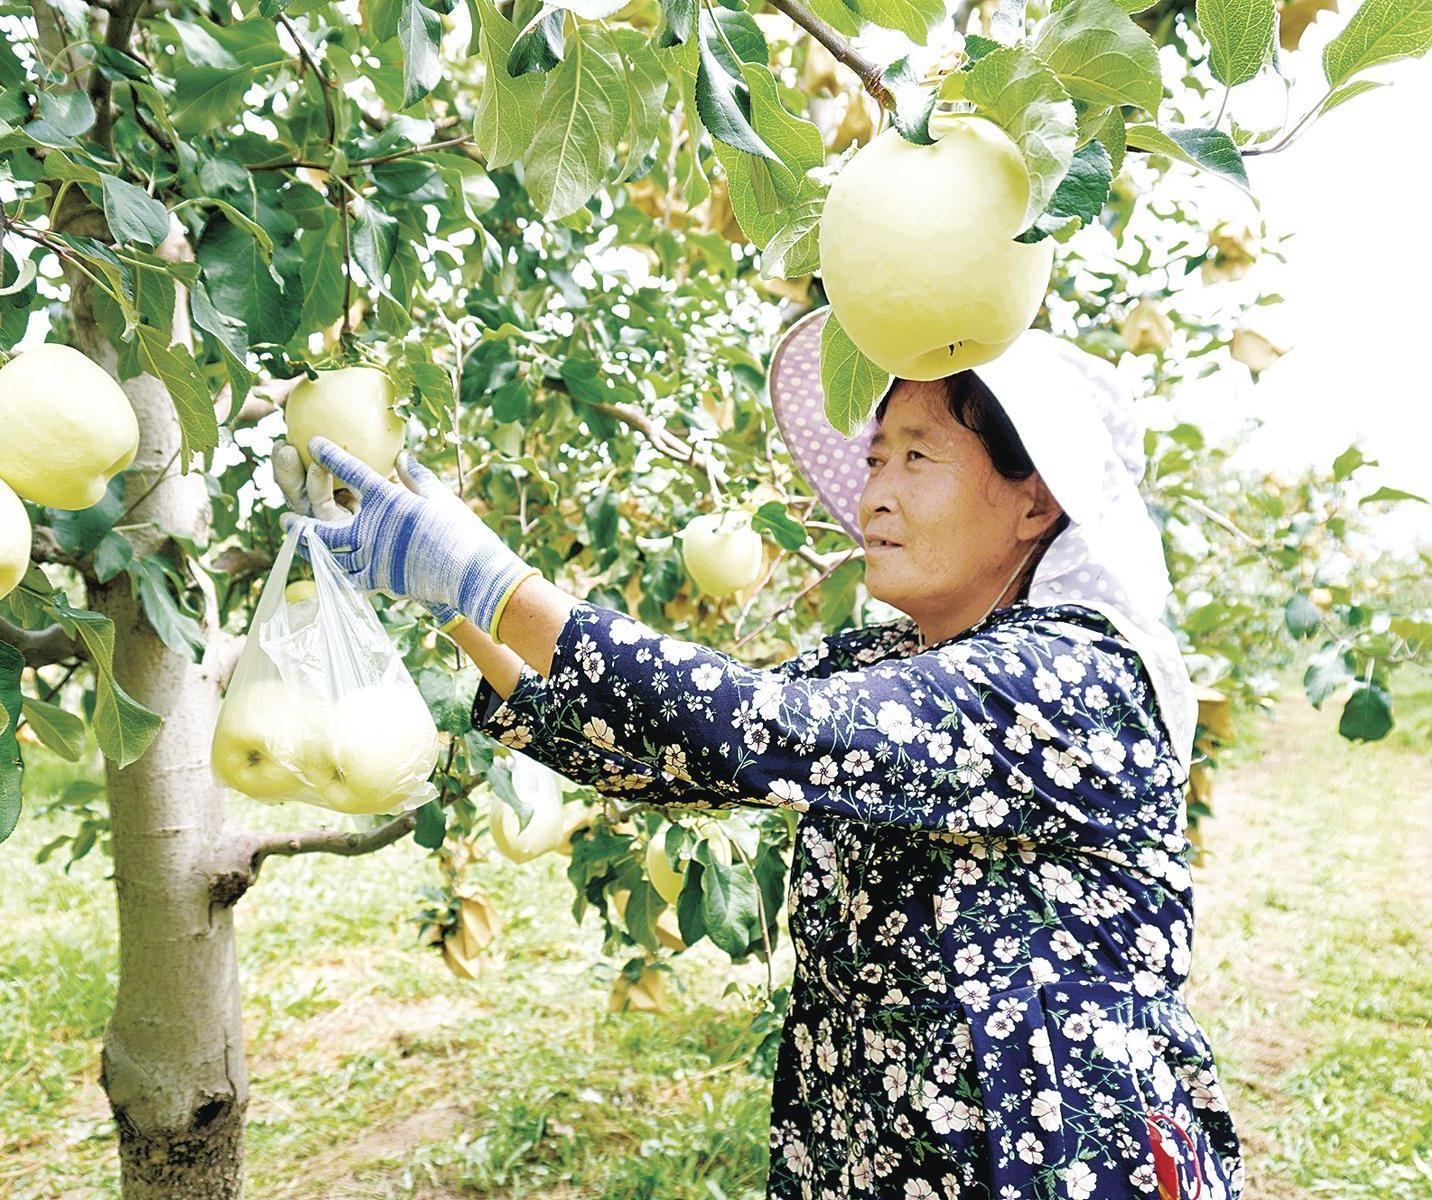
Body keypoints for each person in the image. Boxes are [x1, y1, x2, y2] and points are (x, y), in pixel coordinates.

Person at [274, 308, 1244, 1200]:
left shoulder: (1071, 677)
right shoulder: (888, 657)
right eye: (874, 459)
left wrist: (494, 582)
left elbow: (757, 727)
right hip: (874, 1155)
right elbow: (677, 756)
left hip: (1054, 1161)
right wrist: (454, 602)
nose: (876, 493)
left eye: (918, 457)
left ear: (1034, 503)